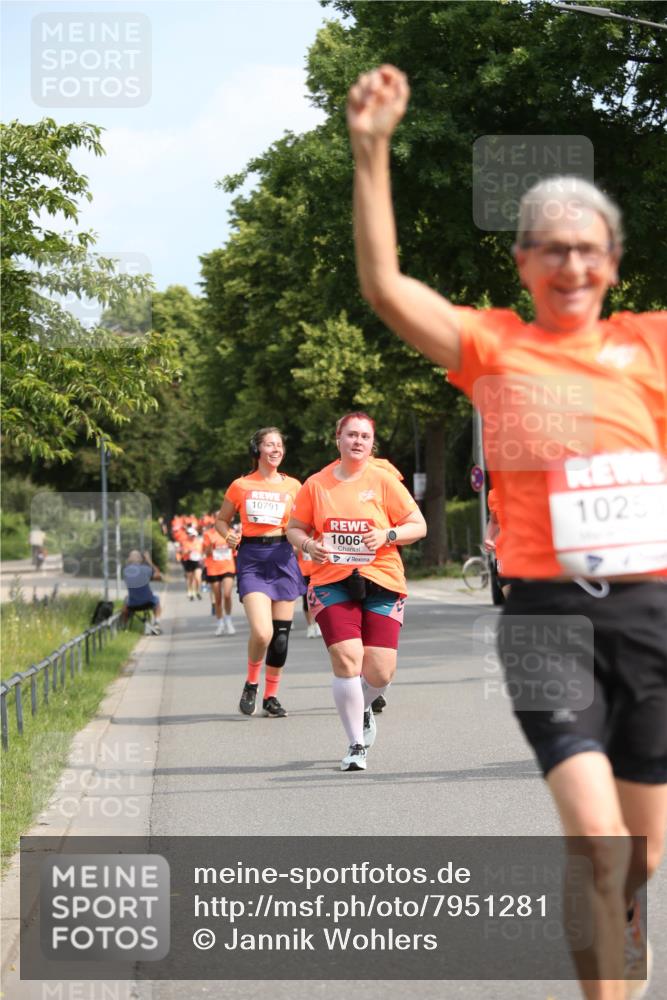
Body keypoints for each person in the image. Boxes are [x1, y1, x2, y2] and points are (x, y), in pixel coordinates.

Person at [347, 64, 666, 999]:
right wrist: (371, 150)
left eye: (589, 249)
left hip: (649, 615)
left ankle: (623, 924)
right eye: (552, 249)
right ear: (523, 263)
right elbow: (384, 285)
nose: (572, 265)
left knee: (637, 857)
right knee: (598, 847)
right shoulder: (494, 348)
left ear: (611, 260)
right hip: (543, 618)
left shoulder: (650, 347)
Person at [287, 412, 426, 771]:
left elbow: (418, 525)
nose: (358, 441)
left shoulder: (384, 481)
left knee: (380, 673)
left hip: (382, 578)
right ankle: (355, 745)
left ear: (371, 443)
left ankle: (362, 705)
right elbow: (295, 528)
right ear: (338, 438)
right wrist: (307, 546)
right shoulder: (316, 485)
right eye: (351, 435)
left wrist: (387, 535)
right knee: (348, 660)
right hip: (331, 579)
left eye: (365, 436)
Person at [215, 427, 305, 719]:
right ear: (257, 450)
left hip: (283, 557)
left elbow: (305, 521)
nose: (276, 449)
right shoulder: (240, 485)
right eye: (269, 444)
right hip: (252, 558)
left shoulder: (294, 486)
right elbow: (221, 521)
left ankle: (271, 697)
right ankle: (252, 682)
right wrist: (227, 535)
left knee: (280, 637)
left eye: (279, 444)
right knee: (262, 632)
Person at [203, 519, 237, 636]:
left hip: (228, 567)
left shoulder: (231, 532)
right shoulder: (209, 534)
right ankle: (220, 623)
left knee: (227, 595)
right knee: (218, 598)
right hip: (213, 569)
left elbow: (235, 551)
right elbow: (206, 553)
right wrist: (211, 545)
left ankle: (228, 620)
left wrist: (232, 544)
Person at [122, 550, 162, 634]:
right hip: (148, 602)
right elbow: (158, 576)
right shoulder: (146, 569)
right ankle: (157, 623)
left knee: (126, 600)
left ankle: (124, 626)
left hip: (132, 604)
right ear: (141, 560)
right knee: (157, 599)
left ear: (129, 560)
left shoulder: (125, 571)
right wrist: (149, 561)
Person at [181, 525, 203, 601]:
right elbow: (183, 552)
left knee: (198, 578)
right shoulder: (185, 542)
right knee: (190, 578)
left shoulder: (198, 542)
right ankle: (190, 591)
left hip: (197, 561)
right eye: (191, 535)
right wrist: (189, 551)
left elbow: (202, 551)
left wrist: (202, 556)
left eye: (194, 535)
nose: (193, 537)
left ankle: (197, 591)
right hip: (188, 561)